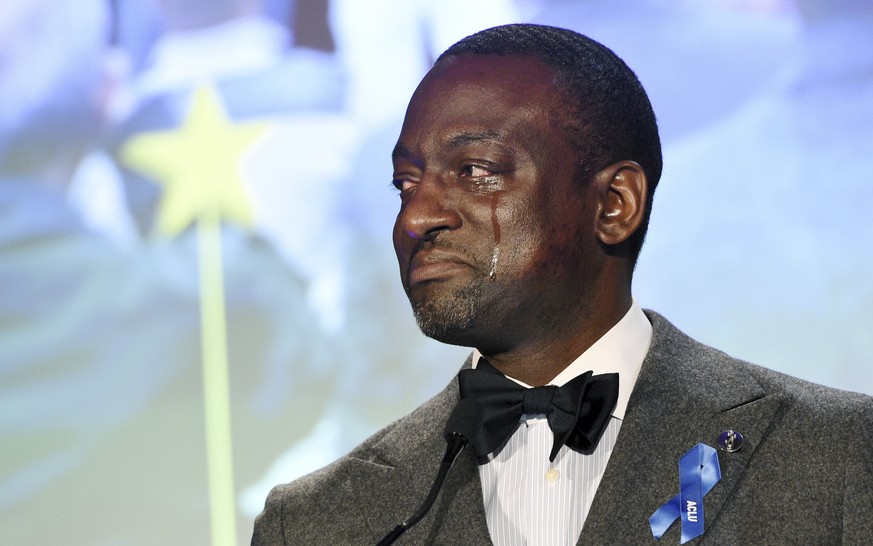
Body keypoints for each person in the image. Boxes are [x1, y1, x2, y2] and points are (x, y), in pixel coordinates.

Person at [251, 23, 873, 544]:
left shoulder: (836, 455)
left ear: (614, 205)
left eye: (475, 171)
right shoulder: (316, 522)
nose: (415, 218)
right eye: (405, 184)